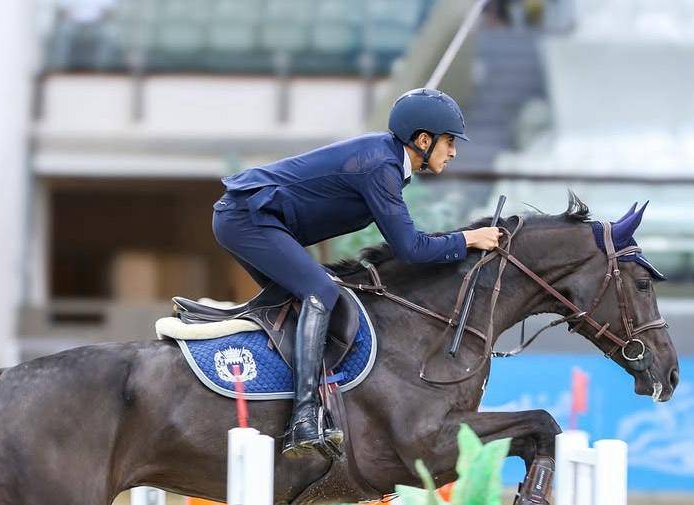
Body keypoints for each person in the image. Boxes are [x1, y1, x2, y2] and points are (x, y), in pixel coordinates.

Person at [212, 87, 500, 458]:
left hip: (251, 218)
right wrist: (467, 238)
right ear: (423, 139)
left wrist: (461, 239)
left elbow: (407, 240)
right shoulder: (381, 166)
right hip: (247, 218)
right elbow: (409, 249)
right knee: (322, 292)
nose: (454, 151)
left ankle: (279, 401)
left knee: (302, 302)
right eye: (448, 142)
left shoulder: (387, 161)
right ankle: (302, 420)